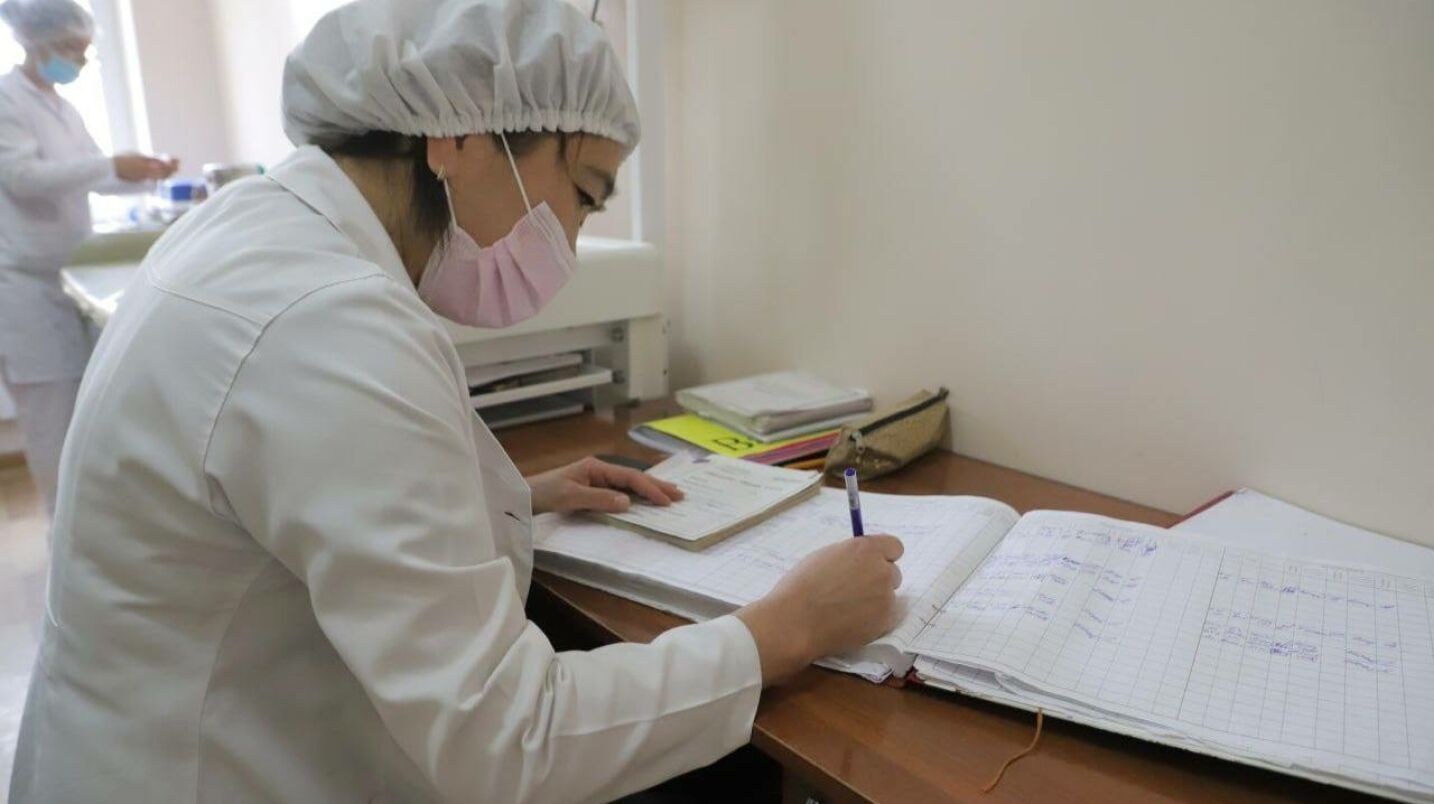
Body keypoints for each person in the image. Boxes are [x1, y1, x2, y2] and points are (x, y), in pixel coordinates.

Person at [9, 0, 904, 801]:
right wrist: (785, 628)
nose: (569, 242)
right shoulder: (329, 324)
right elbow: (511, 741)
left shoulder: (256, 230)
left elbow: (288, 500)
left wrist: (510, 492)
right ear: (458, 135)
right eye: (583, 196)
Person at [0, 0, 176, 515]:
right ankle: (62, 542)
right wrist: (111, 166)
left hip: (67, 277)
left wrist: (142, 172)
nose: (77, 61)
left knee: (83, 426)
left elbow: (92, 173)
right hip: (24, 287)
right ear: (34, 42)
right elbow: (21, 178)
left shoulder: (62, 107)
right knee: (51, 430)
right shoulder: (7, 101)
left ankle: (87, 534)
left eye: (83, 52)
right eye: (70, 50)